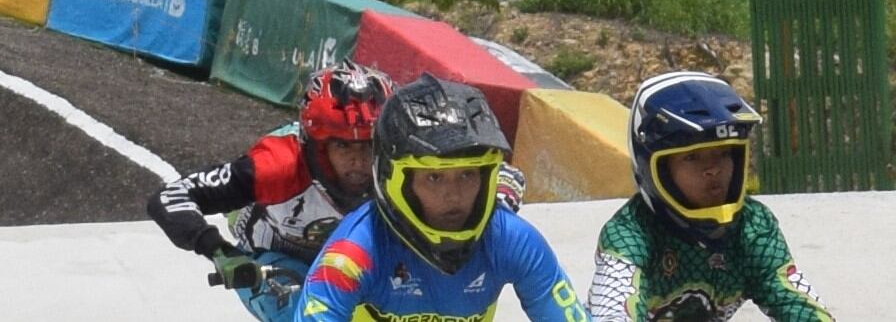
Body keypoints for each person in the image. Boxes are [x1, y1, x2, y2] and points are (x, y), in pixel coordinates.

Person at [298, 75, 586, 322]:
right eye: (434, 177)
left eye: (468, 175)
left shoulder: (513, 240)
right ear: (395, 180)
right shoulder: (351, 255)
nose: (454, 195)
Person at [150, 65, 391, 322]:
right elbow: (170, 196)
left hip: (359, 257)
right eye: (342, 146)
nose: (358, 162)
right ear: (316, 147)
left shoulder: (399, 165)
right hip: (273, 260)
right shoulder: (276, 166)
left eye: (369, 145)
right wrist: (220, 251)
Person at [585, 73, 832, 322]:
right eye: (692, 157)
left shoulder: (753, 227)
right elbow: (613, 311)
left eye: (724, 153)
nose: (713, 169)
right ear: (654, 169)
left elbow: (798, 303)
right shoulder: (629, 234)